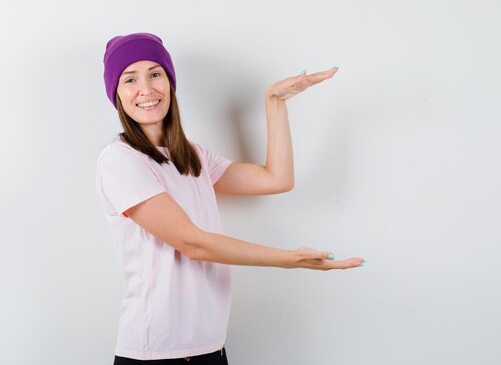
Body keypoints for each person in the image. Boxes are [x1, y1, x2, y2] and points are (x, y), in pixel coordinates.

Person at [95, 32, 365, 364]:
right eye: (130, 79)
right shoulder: (120, 160)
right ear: (117, 94)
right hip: (156, 353)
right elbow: (193, 243)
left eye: (155, 74)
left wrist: (274, 102)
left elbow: (277, 178)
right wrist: (288, 259)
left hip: (211, 347)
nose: (147, 89)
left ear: (169, 81)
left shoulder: (192, 157)